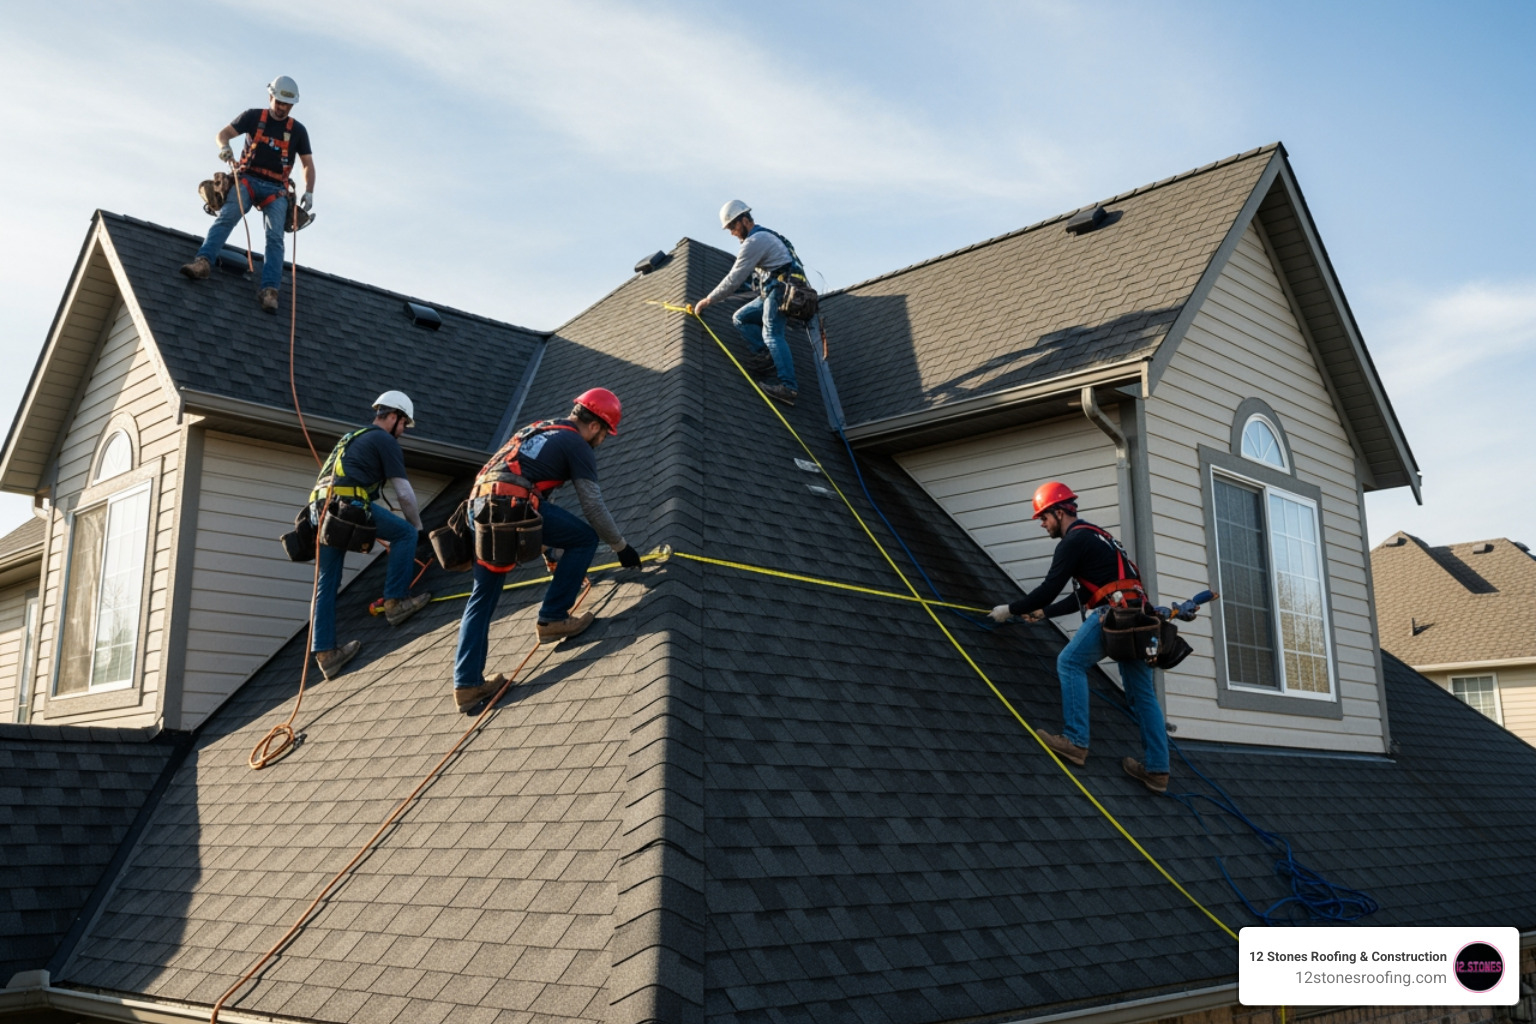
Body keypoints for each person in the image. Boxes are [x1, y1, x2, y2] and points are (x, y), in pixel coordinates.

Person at [451, 388, 642, 713]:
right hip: (508, 505)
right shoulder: (576, 444)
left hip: (478, 507)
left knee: (481, 597)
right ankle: (553, 618)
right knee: (585, 538)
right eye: (605, 434)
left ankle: (467, 685)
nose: (602, 441)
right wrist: (621, 547)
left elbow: (536, 494)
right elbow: (593, 507)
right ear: (595, 426)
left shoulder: (540, 429)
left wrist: (549, 552)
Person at [988, 481, 1171, 793]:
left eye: (1044, 517)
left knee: (1069, 663)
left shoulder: (1072, 541)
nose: (1042, 524)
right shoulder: (1100, 537)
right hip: (1139, 618)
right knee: (1143, 695)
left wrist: (1011, 609)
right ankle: (1157, 770)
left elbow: (1049, 588)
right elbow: (1086, 594)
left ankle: (1075, 741)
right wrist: (1044, 613)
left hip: (1113, 614)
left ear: (1059, 512)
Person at [308, 392, 431, 680]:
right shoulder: (383, 440)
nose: (403, 431)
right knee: (404, 534)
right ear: (393, 416)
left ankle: (326, 654)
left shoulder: (351, 438)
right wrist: (418, 528)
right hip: (347, 505)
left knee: (327, 581)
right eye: (403, 424)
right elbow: (404, 494)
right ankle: (396, 603)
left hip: (320, 513)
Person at [179, 76, 316, 314]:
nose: (282, 108)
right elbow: (223, 135)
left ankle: (270, 290)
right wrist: (225, 148)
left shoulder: (297, 131)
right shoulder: (253, 117)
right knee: (228, 216)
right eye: (279, 102)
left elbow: (307, 165)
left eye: (287, 104)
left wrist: (310, 190)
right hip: (247, 180)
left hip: (276, 189)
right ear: (270, 97)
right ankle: (203, 262)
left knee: (275, 238)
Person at [692, 200, 806, 407]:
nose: (732, 233)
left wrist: (708, 300)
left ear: (744, 220)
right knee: (741, 318)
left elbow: (734, 278)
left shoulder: (755, 241)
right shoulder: (766, 236)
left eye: (733, 227)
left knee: (772, 333)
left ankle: (788, 387)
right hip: (778, 290)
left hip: (780, 290)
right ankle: (766, 356)